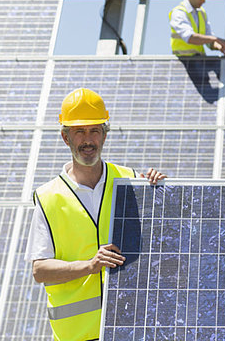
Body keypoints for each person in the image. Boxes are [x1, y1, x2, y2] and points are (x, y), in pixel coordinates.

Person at [25, 88, 166, 340]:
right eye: (79, 131)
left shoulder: (131, 181)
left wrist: (162, 192)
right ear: (66, 138)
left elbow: (163, 245)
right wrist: (90, 266)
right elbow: (40, 269)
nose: (88, 140)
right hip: (77, 335)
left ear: (104, 135)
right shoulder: (48, 197)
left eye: (95, 130)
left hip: (130, 328)